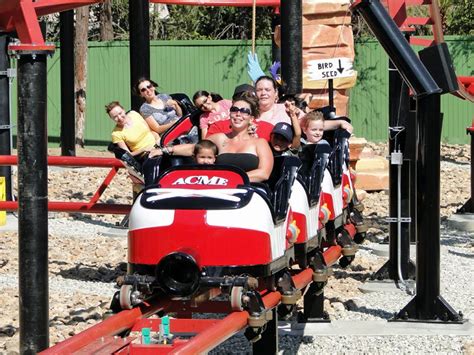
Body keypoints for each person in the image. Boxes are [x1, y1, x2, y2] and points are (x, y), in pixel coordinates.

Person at [150, 95, 274, 183]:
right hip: (218, 191)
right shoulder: (220, 138)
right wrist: (164, 150)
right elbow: (195, 148)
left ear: (251, 118)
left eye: (244, 111)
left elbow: (264, 173)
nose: (238, 114)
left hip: (249, 192)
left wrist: (233, 179)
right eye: (234, 110)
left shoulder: (259, 143)